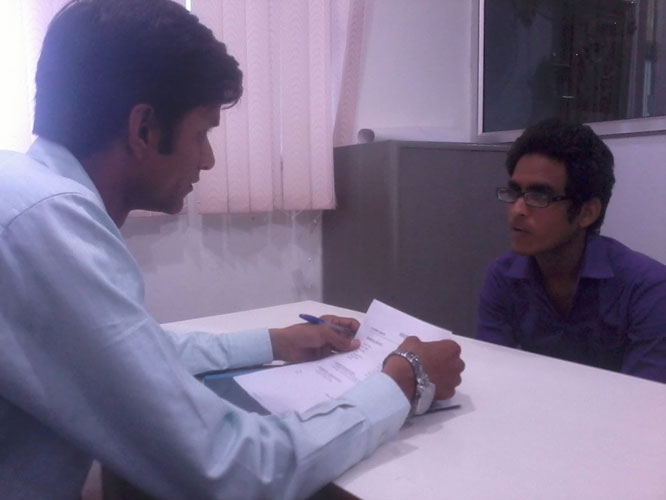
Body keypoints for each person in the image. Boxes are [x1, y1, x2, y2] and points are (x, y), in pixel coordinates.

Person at [0, 0, 465, 498]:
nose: (208, 160)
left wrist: (276, 342)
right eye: (201, 133)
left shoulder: (23, 194)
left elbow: (133, 355)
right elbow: (233, 468)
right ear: (143, 129)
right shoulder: (45, 221)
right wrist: (405, 380)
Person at [477, 118, 666, 384]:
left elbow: (645, 396)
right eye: (515, 192)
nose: (517, 210)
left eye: (539, 196)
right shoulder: (504, 275)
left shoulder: (648, 289)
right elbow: (491, 373)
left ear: (587, 213)